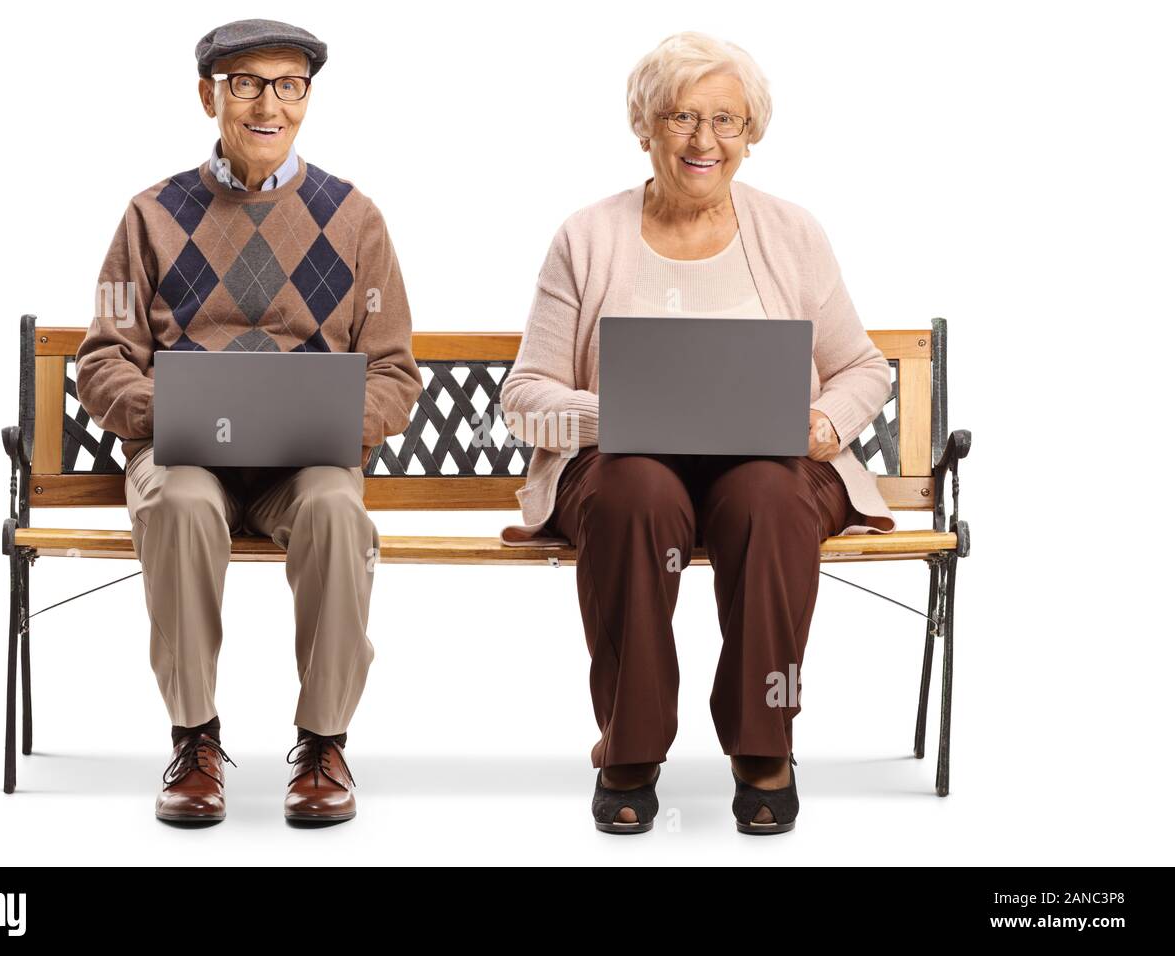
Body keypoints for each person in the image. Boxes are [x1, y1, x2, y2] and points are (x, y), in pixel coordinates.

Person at [499, 31, 897, 835]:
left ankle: (763, 744)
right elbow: (524, 396)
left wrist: (827, 421)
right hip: (626, 464)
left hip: (772, 464)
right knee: (636, 494)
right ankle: (631, 746)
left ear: (752, 134)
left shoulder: (792, 233)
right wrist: (626, 413)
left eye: (727, 120)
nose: (704, 140)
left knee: (767, 501)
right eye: (682, 117)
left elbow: (866, 368)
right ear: (644, 127)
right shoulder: (588, 236)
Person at [74, 18, 422, 825]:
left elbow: (396, 370)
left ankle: (324, 742)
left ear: (307, 99)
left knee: (339, 511)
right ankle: (194, 739)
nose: (270, 103)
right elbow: (102, 359)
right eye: (247, 84)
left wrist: (341, 420)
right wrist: (176, 412)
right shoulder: (150, 215)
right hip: (186, 452)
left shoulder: (355, 217)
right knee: (183, 502)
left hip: (305, 462)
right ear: (210, 96)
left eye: (289, 85)